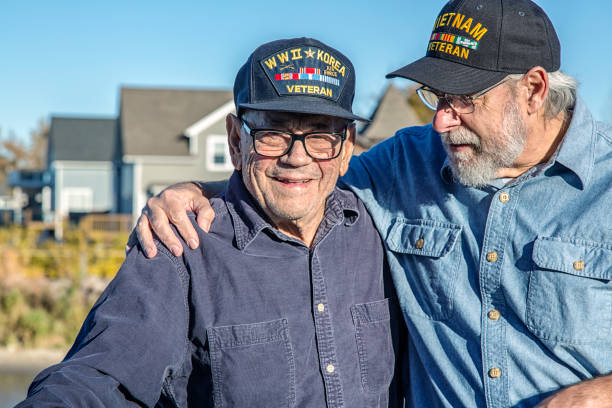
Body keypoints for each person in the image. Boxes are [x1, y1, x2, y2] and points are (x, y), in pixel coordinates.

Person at [135, 0, 612, 407]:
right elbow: (303, 174)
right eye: (436, 98)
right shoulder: (406, 160)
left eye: (463, 100)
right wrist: (199, 188)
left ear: (532, 89)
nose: (442, 122)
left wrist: (596, 394)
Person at [18, 38, 405, 407]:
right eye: (273, 134)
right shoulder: (180, 246)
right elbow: (97, 377)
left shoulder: (384, 231)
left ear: (347, 146)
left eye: (321, 136)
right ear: (236, 141)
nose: (297, 158)